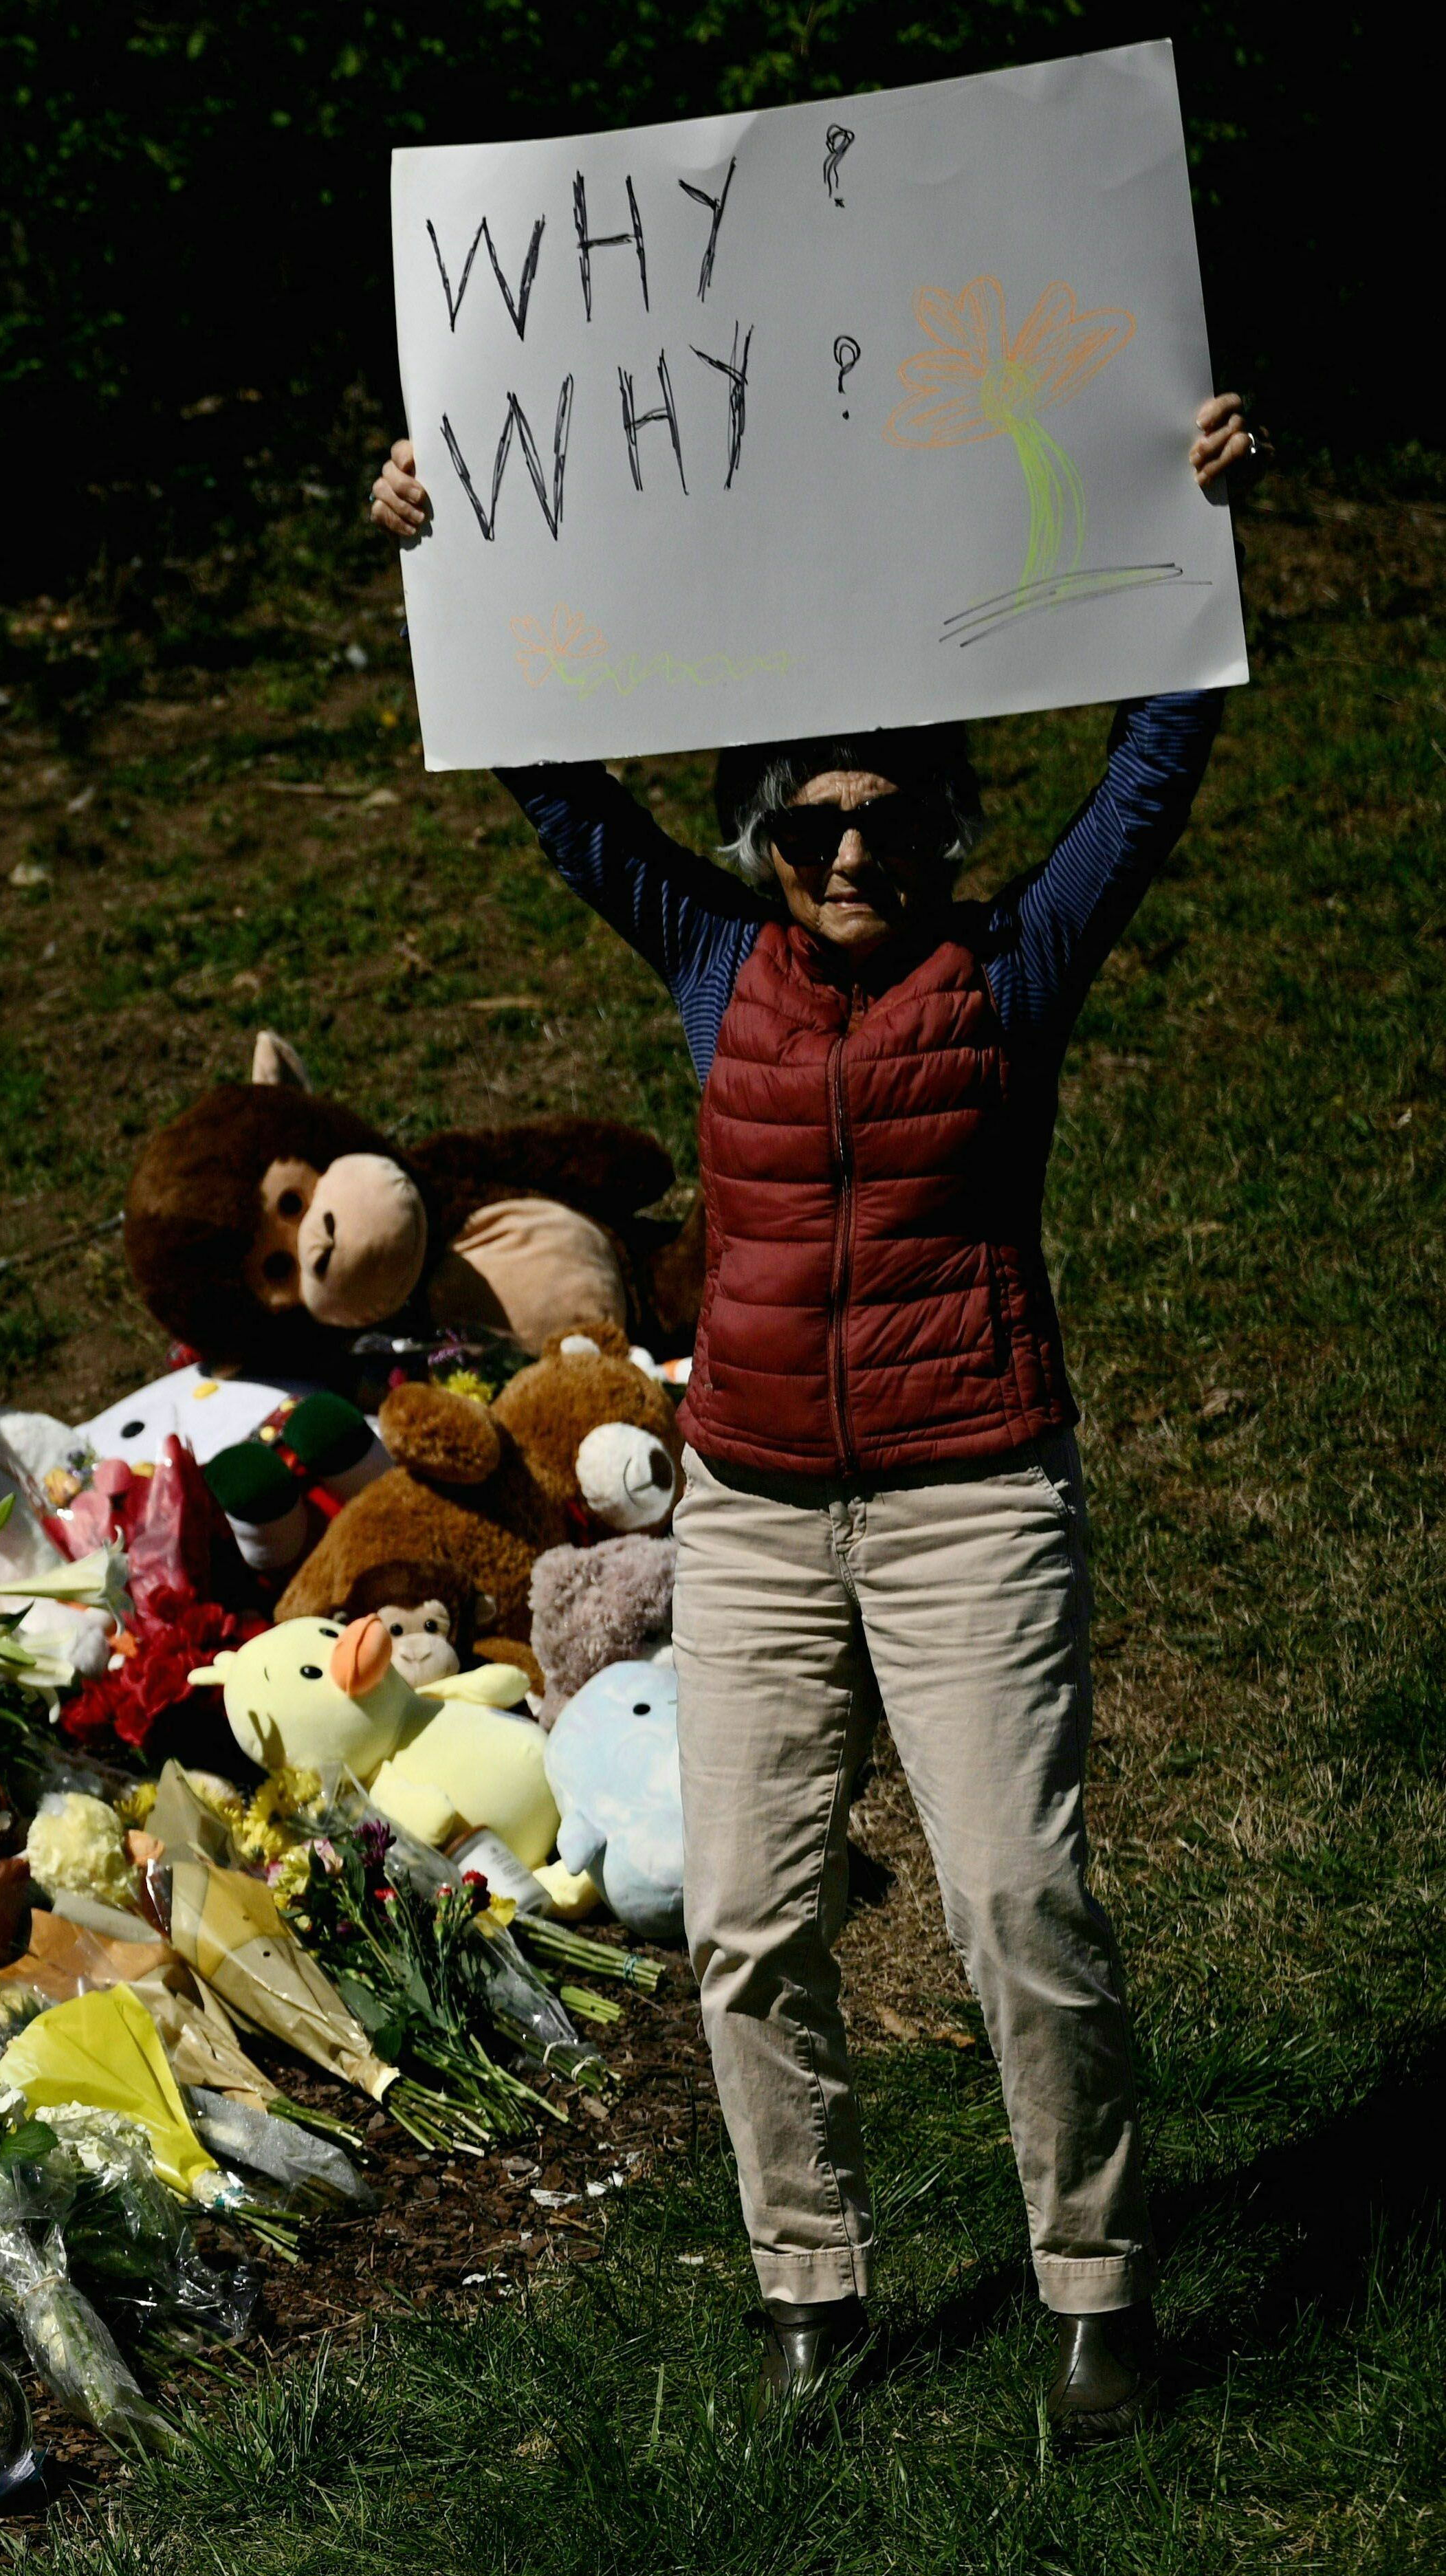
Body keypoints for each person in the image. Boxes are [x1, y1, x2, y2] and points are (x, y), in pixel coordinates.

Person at [368, 394, 1258, 2436]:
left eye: (883, 821)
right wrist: (439, 546)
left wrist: (1194, 527)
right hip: (752, 1507)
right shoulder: (709, 954)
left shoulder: (1007, 963)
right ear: (761, 835)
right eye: (805, 822)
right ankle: (806, 2284)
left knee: (1013, 1901)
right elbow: (551, 781)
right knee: (749, 1919)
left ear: (940, 828)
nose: (845, 853)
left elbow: (1152, 767)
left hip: (968, 1498)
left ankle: (1096, 2286)